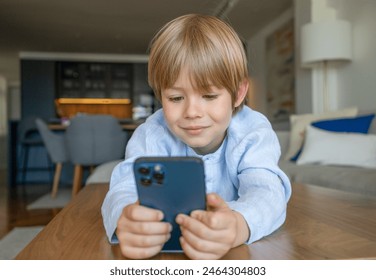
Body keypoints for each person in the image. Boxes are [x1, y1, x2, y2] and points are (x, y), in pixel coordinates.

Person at [101, 14, 291, 260]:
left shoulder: (254, 132)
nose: (192, 112)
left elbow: (267, 192)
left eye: (209, 96)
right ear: (160, 96)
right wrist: (126, 217)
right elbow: (123, 188)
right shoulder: (151, 134)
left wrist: (238, 225)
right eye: (176, 98)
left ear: (239, 93)